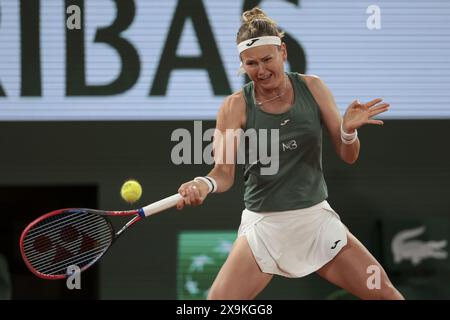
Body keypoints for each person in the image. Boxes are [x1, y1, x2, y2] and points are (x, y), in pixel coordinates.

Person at [176, 7, 404, 300]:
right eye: (251, 63)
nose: (261, 70)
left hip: (317, 222)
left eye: (267, 59)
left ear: (282, 52)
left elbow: (349, 155)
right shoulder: (234, 107)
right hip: (264, 228)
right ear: (242, 64)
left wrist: (348, 132)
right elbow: (223, 173)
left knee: (386, 295)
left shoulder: (314, 88)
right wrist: (202, 184)